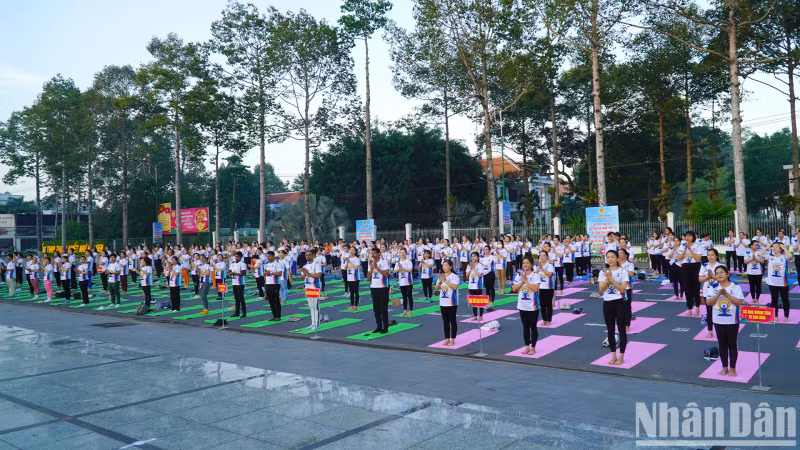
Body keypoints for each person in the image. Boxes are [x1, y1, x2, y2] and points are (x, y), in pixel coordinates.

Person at [705, 266, 744, 377]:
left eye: (722, 272)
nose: (719, 275)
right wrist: (718, 294)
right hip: (718, 320)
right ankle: (724, 367)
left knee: (732, 344)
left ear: (728, 274)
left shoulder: (735, 287)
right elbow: (708, 302)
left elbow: (739, 303)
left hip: (732, 320)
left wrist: (726, 294)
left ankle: (732, 368)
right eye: (717, 273)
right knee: (722, 345)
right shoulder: (713, 287)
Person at [599, 250, 629, 366]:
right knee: (610, 330)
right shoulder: (603, 272)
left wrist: (611, 280)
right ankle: (613, 355)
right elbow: (601, 289)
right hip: (607, 303)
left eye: (612, 257)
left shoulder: (622, 271)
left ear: (617, 258)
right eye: (608, 257)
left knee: (621, 330)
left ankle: (621, 356)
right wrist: (607, 278)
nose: (610, 259)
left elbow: (622, 289)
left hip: (620, 302)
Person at [512, 255, 541, 355]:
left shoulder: (535, 275)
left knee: (533, 326)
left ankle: (533, 347)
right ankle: (527, 346)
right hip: (522, 305)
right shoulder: (519, 275)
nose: (525, 265)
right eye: (523, 263)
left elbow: (535, 289)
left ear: (531, 264)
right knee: (525, 326)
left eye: (527, 263)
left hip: (533, 306)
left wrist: (526, 281)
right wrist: (522, 280)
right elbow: (514, 289)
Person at [698, 249, 724, 338]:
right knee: (709, 312)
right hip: (707, 292)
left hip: (718, 292)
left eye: (712, 255)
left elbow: (723, 279)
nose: (710, 257)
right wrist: (707, 277)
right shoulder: (704, 266)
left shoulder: (721, 266)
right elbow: (700, 279)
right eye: (708, 255)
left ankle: (721, 331)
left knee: (719, 311)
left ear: (716, 256)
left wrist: (713, 276)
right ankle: (710, 331)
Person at [435, 260, 461, 346]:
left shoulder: (455, 277)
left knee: (452, 321)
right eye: (443, 266)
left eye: (446, 265)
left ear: (450, 266)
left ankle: (452, 339)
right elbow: (436, 288)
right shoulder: (441, 276)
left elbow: (455, 287)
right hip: (443, 302)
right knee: (445, 321)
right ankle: (446, 338)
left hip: (452, 302)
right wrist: (439, 280)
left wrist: (445, 281)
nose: (444, 267)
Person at [679, 231, 703, 316]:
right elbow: (679, 258)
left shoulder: (698, 246)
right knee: (687, 288)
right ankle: (689, 308)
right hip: (685, 267)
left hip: (695, 266)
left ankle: (697, 307)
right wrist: (685, 249)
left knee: (696, 288)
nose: (688, 237)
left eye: (689, 236)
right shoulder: (682, 246)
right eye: (686, 236)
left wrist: (690, 249)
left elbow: (698, 259)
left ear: (693, 237)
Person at [765, 241, 790, 322]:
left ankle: (786, 315)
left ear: (780, 248)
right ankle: (775, 315)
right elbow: (759, 254)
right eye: (773, 247)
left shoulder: (784, 257)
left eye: (776, 246)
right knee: (774, 299)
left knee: (785, 299)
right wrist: (767, 247)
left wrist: (784, 248)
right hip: (772, 283)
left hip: (783, 283)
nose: (774, 248)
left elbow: (790, 256)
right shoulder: (770, 256)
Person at [368, 248, 391, 333]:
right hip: (374, 287)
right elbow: (368, 278)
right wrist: (371, 268)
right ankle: (378, 326)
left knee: (383, 308)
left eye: (374, 253)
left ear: (378, 254)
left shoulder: (384, 262)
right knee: (376, 308)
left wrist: (376, 267)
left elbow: (386, 274)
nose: (373, 255)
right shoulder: (370, 262)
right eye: (372, 253)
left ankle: (385, 326)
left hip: (383, 287)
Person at [301, 250, 323, 330]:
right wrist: (304, 274)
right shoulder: (305, 265)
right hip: (308, 287)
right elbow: (302, 277)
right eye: (306, 255)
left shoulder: (316, 264)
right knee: (311, 306)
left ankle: (316, 324)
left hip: (315, 286)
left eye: (309, 255)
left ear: (312, 255)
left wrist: (308, 274)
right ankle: (312, 323)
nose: (308, 257)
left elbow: (318, 275)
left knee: (315, 306)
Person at [535, 251, 555, 326]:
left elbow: (550, 275)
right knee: (542, 304)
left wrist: (542, 269)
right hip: (540, 288)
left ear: (547, 257)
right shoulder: (537, 266)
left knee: (548, 304)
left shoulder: (550, 266)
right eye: (540, 256)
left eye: (544, 255)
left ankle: (549, 320)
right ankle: (544, 319)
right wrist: (537, 270)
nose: (542, 257)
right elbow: (534, 275)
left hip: (548, 288)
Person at [466, 252, 485, 321]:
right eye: (472, 256)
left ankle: (480, 315)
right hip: (471, 285)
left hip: (478, 286)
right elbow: (467, 275)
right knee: (473, 301)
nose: (473, 258)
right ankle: (474, 315)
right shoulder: (469, 265)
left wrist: (474, 268)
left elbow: (480, 275)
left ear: (478, 257)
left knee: (479, 301)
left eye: (474, 256)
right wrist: (471, 268)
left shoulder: (481, 265)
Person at [620, 248, 635, 333]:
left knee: (626, 306)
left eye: (622, 253)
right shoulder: (615, 264)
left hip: (627, 288)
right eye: (619, 253)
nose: (620, 255)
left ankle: (627, 325)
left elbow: (631, 274)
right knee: (619, 307)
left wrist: (621, 269)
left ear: (625, 255)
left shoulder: (629, 264)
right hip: (617, 288)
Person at [395, 249, 414, 317]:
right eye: (401, 252)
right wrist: (399, 268)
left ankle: (411, 311)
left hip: (408, 282)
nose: (402, 254)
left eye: (403, 252)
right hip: (401, 282)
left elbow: (410, 269)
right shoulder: (398, 262)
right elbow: (394, 271)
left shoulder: (408, 261)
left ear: (406, 254)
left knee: (409, 296)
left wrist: (402, 268)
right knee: (404, 297)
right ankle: (405, 310)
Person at [263, 251, 281, 321]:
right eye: (267, 256)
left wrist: (271, 272)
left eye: (269, 256)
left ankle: (278, 316)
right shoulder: (266, 264)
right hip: (268, 283)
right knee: (270, 300)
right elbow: (265, 274)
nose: (268, 258)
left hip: (275, 284)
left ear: (273, 256)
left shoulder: (277, 264)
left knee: (276, 300)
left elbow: (279, 273)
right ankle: (274, 315)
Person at [229, 251, 247, 317]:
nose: (236, 258)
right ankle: (237, 312)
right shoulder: (233, 264)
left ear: (240, 257)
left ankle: (244, 313)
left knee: (241, 298)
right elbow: (229, 271)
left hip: (240, 283)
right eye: (235, 256)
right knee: (236, 298)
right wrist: (230, 273)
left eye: (238, 256)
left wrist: (235, 273)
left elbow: (244, 273)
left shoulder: (242, 264)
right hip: (234, 282)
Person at [345, 247, 361, 312]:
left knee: (356, 292)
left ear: (355, 252)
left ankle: (356, 305)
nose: (351, 251)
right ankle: (351, 305)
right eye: (350, 250)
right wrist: (347, 262)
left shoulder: (357, 259)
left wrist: (350, 262)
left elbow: (356, 268)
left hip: (355, 278)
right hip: (350, 278)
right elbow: (345, 268)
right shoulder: (349, 259)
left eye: (353, 250)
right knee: (351, 292)